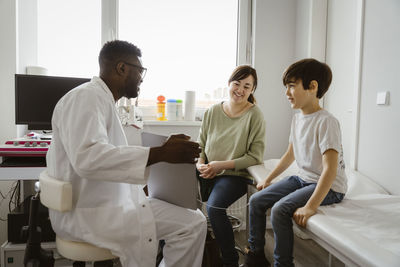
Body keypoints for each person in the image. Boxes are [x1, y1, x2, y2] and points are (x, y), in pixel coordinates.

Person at [46, 40, 207, 267]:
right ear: (122, 68)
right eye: (140, 71)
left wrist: (152, 164)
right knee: (192, 224)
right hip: (90, 215)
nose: (142, 78)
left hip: (101, 205)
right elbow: (88, 159)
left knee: (194, 218)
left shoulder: (100, 99)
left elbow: (105, 155)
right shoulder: (87, 97)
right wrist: (160, 154)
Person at [244, 58, 347, 267]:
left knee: (280, 210)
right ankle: (255, 257)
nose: (287, 92)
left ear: (312, 86)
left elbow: (330, 169)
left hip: (328, 187)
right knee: (256, 201)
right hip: (303, 179)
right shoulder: (298, 118)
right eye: (286, 86)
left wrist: (310, 206)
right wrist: (269, 179)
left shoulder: (326, 122)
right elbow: (290, 154)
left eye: (292, 86)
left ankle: (283, 264)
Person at [197, 65, 266, 267]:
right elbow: (200, 145)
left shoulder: (255, 115)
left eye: (247, 86)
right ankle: (184, 253)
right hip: (207, 171)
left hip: (234, 175)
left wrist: (220, 166)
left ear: (252, 90)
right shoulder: (212, 111)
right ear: (229, 84)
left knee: (214, 208)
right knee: (175, 198)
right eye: (237, 83)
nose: (240, 90)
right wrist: (200, 163)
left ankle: (229, 261)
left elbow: (255, 156)